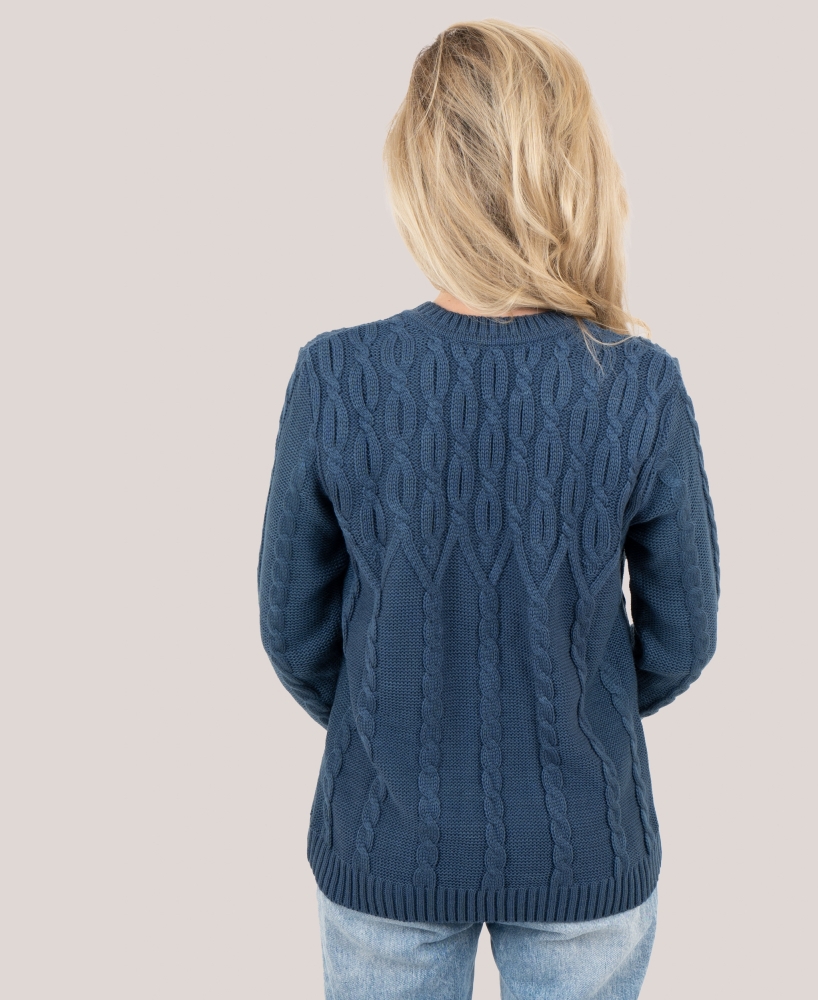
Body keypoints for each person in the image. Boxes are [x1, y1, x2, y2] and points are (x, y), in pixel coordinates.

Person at [257, 18, 720, 1000]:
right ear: (577, 171)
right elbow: (683, 635)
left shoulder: (337, 376)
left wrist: (395, 716)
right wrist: (572, 710)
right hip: (586, 840)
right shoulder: (638, 386)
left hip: (385, 841)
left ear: (417, 178)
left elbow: (292, 628)